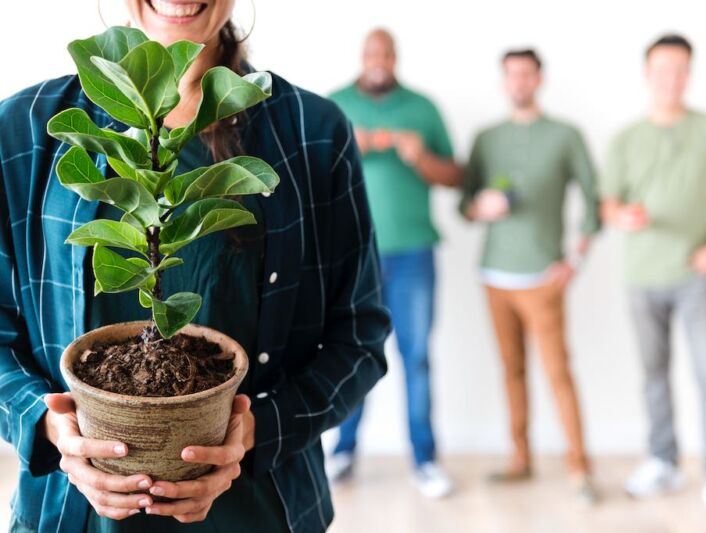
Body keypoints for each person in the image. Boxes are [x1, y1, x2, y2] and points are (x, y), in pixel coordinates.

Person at [0, 1, 391, 532]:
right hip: (71, 515)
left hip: (257, 511)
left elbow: (359, 336)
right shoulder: (26, 129)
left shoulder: (312, 132)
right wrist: (48, 425)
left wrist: (257, 432)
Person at [600, 34, 706, 519]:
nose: (671, 78)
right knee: (653, 374)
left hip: (697, 276)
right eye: (662, 69)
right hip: (643, 276)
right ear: (647, 74)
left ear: (690, 74)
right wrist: (623, 216)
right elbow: (608, 204)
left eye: (680, 69)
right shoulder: (625, 138)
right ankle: (663, 461)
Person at [460, 48, 601, 504]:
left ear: (539, 78)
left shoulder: (565, 135)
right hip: (494, 276)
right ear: (504, 81)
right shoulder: (486, 138)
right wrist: (480, 207)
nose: (519, 81)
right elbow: (465, 204)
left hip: (543, 278)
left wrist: (574, 260)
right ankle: (521, 459)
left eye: (527, 73)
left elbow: (595, 202)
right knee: (511, 371)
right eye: (511, 74)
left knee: (559, 372)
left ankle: (580, 468)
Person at [326, 28, 461, 499]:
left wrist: (419, 156)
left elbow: (455, 175)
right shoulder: (335, 105)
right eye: (371, 52)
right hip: (354, 257)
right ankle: (343, 450)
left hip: (414, 256)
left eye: (386, 52)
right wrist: (348, 150)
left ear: (396, 57)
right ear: (362, 57)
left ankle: (425, 460)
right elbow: (310, 176)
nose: (379, 60)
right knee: (352, 353)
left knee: (417, 358)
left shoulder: (423, 109)